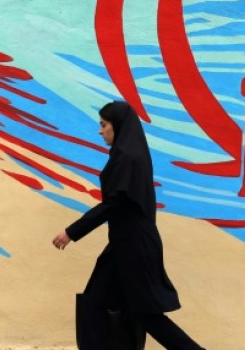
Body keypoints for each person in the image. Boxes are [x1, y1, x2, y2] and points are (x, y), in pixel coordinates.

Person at [53, 101, 205, 350]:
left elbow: (114, 203)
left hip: (134, 247)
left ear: (118, 125)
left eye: (104, 125)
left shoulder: (128, 157)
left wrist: (72, 231)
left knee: (146, 315)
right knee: (94, 303)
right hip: (124, 245)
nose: (100, 131)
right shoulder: (130, 155)